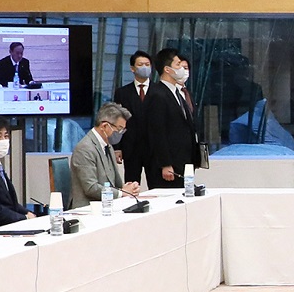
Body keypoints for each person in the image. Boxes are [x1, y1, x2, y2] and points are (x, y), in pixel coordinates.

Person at [141, 46, 202, 189]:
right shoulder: (157, 94)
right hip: (169, 165)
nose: (182, 69)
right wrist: (165, 163)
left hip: (183, 160)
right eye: (178, 64)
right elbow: (157, 132)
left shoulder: (177, 92)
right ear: (167, 69)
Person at [72, 103, 141, 205]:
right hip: (89, 207)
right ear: (104, 126)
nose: (120, 133)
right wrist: (122, 193)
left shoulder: (108, 146)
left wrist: (129, 188)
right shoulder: (84, 149)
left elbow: (115, 183)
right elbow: (91, 188)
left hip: (108, 204)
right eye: (119, 129)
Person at [112, 50, 155, 188]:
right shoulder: (122, 93)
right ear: (132, 68)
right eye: (140, 64)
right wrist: (117, 147)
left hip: (154, 148)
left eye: (147, 64)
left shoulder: (159, 91)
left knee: (156, 186)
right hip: (131, 148)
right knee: (131, 186)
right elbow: (116, 121)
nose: (144, 67)